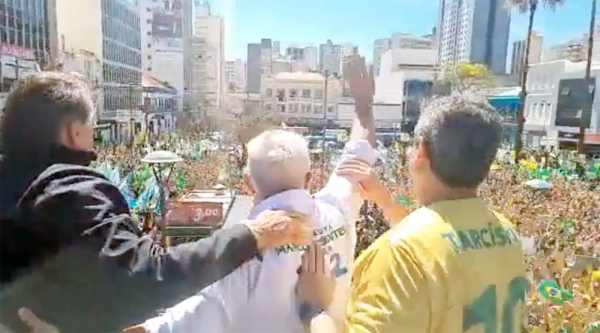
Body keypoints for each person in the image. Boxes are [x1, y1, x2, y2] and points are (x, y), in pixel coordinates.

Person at [0, 72, 311, 332]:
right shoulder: (66, 188)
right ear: (74, 131)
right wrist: (252, 234)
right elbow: (143, 278)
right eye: (93, 131)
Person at [130, 55, 377, 333]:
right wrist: (362, 104)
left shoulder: (237, 261)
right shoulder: (336, 209)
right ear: (310, 179)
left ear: (248, 184)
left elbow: (162, 328)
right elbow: (359, 150)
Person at [300, 94, 528, 333]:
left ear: (421, 151)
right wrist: (387, 202)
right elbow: (442, 246)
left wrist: (315, 307)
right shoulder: (506, 232)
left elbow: (424, 252)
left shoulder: (400, 255)